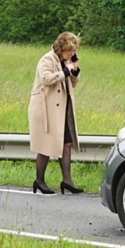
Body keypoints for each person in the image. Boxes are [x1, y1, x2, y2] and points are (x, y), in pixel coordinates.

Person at [28, 32, 83, 195]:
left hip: (61, 108)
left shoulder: (64, 61)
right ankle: (39, 180)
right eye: (69, 51)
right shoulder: (47, 59)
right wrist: (66, 71)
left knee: (66, 143)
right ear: (61, 48)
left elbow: (72, 84)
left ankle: (67, 181)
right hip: (46, 109)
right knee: (45, 146)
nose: (72, 54)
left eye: (73, 51)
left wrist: (74, 70)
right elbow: (46, 79)